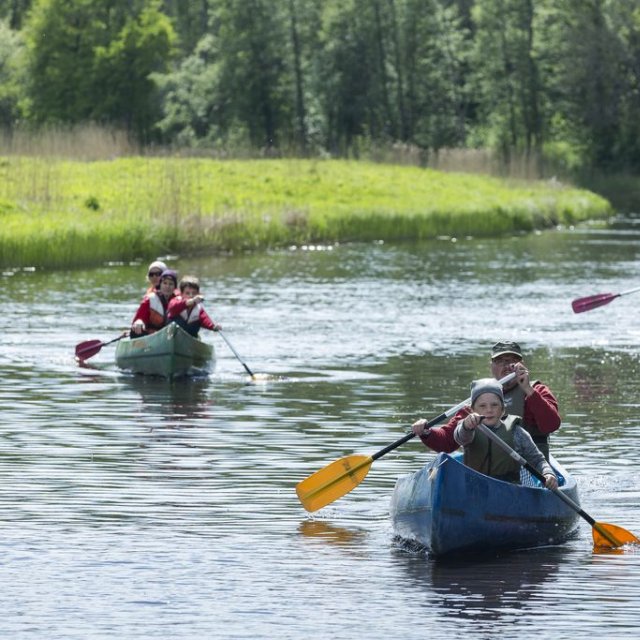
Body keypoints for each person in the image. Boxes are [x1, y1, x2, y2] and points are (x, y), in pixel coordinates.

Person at [412, 340, 560, 460]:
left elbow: (551, 425)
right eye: (501, 361)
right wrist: (426, 432)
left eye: (513, 361)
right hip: (490, 473)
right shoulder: (479, 397)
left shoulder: (537, 391)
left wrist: (528, 390)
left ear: (522, 365)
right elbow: (447, 442)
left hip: (532, 473)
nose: (507, 366)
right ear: (492, 367)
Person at [454, 378, 558, 489]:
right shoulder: (468, 429)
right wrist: (466, 425)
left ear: (502, 409)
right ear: (473, 410)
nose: (489, 410)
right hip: (474, 490)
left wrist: (548, 473)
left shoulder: (517, 433)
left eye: (494, 405)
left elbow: (538, 460)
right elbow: (460, 437)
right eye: (482, 406)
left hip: (510, 492)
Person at [130, 269, 178, 336]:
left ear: (174, 287)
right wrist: (139, 321)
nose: (167, 286)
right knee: (135, 330)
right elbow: (140, 318)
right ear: (160, 285)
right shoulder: (150, 299)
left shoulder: (179, 301)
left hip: (171, 334)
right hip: (151, 334)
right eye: (165, 283)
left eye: (171, 284)